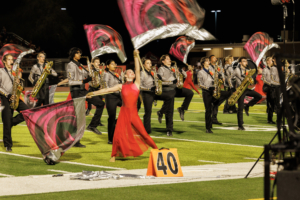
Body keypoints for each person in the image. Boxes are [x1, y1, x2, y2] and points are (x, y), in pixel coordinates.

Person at [87, 50, 158, 162]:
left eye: (132, 72)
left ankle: (157, 150)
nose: (131, 72)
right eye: (129, 72)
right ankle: (114, 155)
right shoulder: (121, 86)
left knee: (144, 133)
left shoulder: (137, 84)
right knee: (118, 135)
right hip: (124, 113)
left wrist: (135, 56)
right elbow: (107, 90)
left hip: (133, 114)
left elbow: (138, 69)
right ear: (125, 75)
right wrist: (93, 93)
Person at [67, 47, 103, 148]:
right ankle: (75, 141)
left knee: (100, 103)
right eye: (78, 53)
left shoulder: (80, 65)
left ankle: (92, 125)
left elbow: (86, 75)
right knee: (79, 117)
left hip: (83, 91)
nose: (80, 54)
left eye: (80, 53)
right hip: (76, 92)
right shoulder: (71, 65)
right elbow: (70, 81)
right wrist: (84, 81)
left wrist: (90, 70)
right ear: (73, 54)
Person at [0, 54, 29, 152]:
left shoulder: (13, 73)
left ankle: (11, 122)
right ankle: (8, 144)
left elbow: (19, 86)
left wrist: (19, 81)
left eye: (12, 60)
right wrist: (7, 95)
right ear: (4, 61)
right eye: (9, 60)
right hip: (5, 98)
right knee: (7, 121)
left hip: (15, 96)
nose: (11, 61)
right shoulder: (0, 71)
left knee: (27, 112)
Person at [197, 57, 229, 133]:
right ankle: (208, 128)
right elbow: (200, 85)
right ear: (203, 63)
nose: (208, 62)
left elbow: (215, 79)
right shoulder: (200, 72)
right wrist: (208, 88)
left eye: (208, 61)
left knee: (227, 93)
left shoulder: (211, 71)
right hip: (206, 92)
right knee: (208, 110)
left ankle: (215, 106)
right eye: (207, 61)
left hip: (214, 91)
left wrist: (219, 77)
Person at [233, 57, 262, 130]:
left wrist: (251, 79)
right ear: (240, 63)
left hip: (245, 89)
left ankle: (248, 105)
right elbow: (234, 78)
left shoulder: (247, 70)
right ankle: (240, 125)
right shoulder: (237, 70)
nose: (246, 62)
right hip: (240, 90)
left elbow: (251, 80)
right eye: (244, 61)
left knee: (259, 96)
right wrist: (232, 88)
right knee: (240, 108)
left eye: (246, 61)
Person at [103, 59, 122, 144]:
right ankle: (110, 138)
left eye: (115, 63)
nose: (115, 65)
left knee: (129, 106)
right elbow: (105, 86)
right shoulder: (106, 74)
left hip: (118, 96)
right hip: (110, 96)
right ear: (107, 66)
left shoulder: (117, 74)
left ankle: (118, 121)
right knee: (111, 117)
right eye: (112, 64)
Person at [139, 58, 157, 134]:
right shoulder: (142, 73)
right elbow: (139, 86)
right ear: (143, 65)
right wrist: (149, 88)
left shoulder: (152, 72)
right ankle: (146, 130)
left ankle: (161, 111)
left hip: (154, 92)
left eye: (150, 63)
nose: (150, 64)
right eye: (148, 63)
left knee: (168, 97)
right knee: (148, 112)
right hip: (147, 93)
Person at [86, 57, 105, 126]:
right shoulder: (90, 70)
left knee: (99, 106)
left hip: (99, 89)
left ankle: (98, 121)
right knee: (99, 104)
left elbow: (102, 79)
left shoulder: (100, 70)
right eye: (96, 62)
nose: (98, 63)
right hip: (92, 88)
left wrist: (101, 85)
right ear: (93, 63)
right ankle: (88, 111)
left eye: (98, 62)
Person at [262, 56, 275, 124]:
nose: (271, 61)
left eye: (272, 60)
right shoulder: (265, 69)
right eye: (270, 60)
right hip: (269, 87)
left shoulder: (274, 69)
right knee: (270, 104)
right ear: (267, 61)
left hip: (275, 87)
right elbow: (264, 79)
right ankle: (269, 119)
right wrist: (271, 83)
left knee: (276, 104)